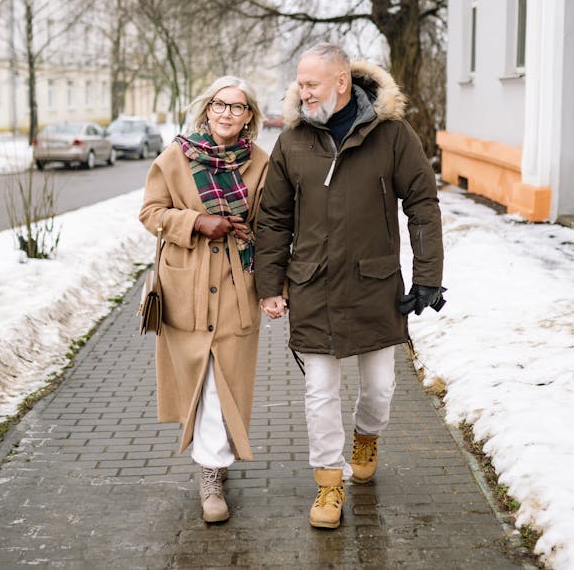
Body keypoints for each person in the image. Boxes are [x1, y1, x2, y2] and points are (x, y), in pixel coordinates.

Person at [255, 43, 445, 529]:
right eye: (300, 82)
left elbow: (422, 203)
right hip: (313, 285)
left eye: (312, 83)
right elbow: (274, 218)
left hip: (374, 284)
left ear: (342, 82)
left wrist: (427, 276)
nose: (303, 91)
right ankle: (328, 483)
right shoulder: (293, 141)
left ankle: (366, 435)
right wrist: (269, 283)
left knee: (379, 387)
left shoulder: (392, 135)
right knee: (320, 390)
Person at [139, 76, 268, 523]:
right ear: (206, 109)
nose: (227, 113)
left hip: (237, 283)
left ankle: (213, 465)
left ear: (250, 116)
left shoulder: (261, 164)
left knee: (226, 377)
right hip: (186, 283)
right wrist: (196, 221)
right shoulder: (175, 157)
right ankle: (211, 469)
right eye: (219, 105)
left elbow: (271, 226)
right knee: (203, 377)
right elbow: (151, 212)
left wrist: (275, 286)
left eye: (237, 107)